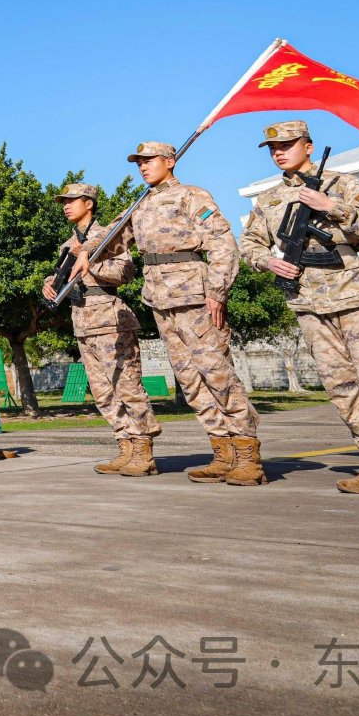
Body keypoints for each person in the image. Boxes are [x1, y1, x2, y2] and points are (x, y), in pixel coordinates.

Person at [240, 120, 359, 497]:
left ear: (309, 146)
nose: (279, 152)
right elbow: (249, 244)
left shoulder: (343, 183)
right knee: (340, 386)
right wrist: (268, 262)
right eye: (273, 148)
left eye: (288, 145)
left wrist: (334, 208)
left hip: (355, 295)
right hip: (308, 301)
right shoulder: (270, 198)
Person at [119, 141, 264, 486]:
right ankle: (222, 452)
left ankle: (247, 455)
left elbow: (221, 243)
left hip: (195, 296)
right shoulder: (140, 204)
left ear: (170, 161)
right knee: (191, 381)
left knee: (217, 374)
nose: (142, 166)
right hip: (160, 300)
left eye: (149, 160)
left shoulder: (190, 196)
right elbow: (111, 241)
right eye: (138, 162)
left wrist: (217, 290)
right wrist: (81, 249)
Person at [43, 184, 160, 476]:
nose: (66, 206)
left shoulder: (108, 234)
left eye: (72, 201)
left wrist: (91, 266)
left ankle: (143, 449)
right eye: (63, 202)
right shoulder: (68, 245)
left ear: (89, 203)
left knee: (127, 387)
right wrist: (51, 283)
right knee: (103, 393)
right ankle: (126, 446)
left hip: (110, 320)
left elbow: (125, 272)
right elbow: (64, 276)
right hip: (82, 322)